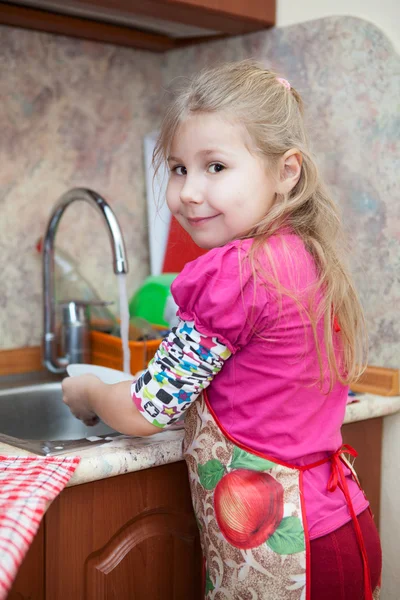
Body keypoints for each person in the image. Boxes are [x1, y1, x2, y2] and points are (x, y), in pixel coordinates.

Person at [62, 60, 382, 599]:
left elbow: (150, 405)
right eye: (179, 168)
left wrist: (91, 391)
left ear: (286, 172)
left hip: (292, 559)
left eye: (215, 167)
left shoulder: (233, 274)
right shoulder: (303, 255)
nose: (188, 192)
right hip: (341, 529)